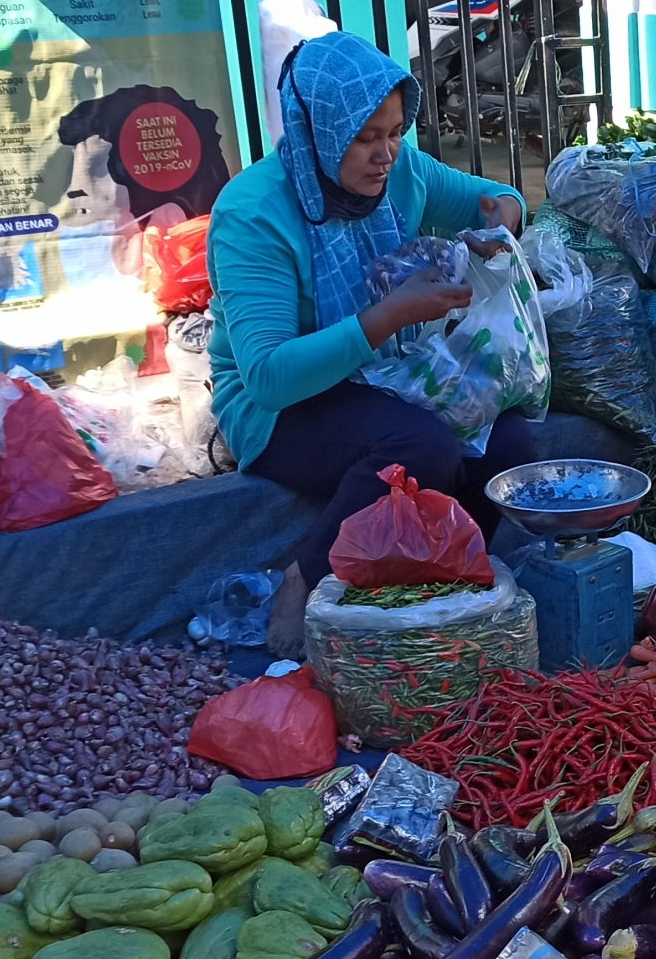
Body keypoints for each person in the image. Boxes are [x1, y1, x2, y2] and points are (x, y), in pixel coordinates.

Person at [209, 32, 533, 591]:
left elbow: (498, 197)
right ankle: (308, 579)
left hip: (382, 373)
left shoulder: (403, 172)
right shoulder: (252, 213)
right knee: (420, 447)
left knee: (509, 446)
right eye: (365, 139)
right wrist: (389, 316)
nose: (385, 154)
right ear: (320, 133)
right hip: (282, 407)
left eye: (395, 133)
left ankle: (442, 577)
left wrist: (503, 215)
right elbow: (267, 377)